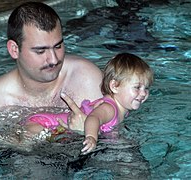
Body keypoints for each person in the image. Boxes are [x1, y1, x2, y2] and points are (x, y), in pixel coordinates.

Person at [0, 2, 103, 127]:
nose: (53, 59)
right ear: (14, 50)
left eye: (58, 46)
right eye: (40, 51)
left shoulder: (87, 78)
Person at [24, 53, 154, 153]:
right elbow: (93, 118)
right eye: (137, 87)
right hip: (42, 123)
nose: (143, 93)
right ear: (115, 86)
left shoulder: (121, 109)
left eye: (146, 88)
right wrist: (92, 137)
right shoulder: (110, 108)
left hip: (54, 127)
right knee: (28, 147)